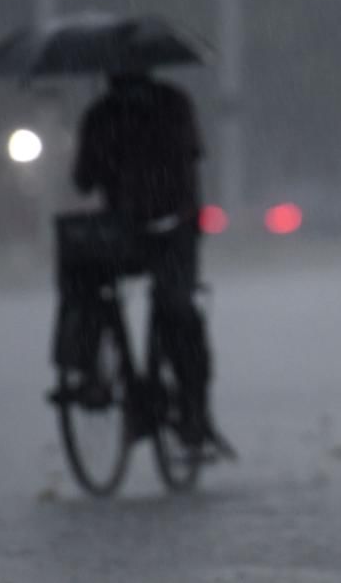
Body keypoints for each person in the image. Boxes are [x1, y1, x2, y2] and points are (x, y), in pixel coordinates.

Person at [73, 71, 231, 456]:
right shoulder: (172, 104)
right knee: (177, 310)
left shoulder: (102, 114)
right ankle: (192, 410)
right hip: (165, 228)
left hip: (138, 231)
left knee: (166, 306)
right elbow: (190, 160)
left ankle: (181, 405)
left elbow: (83, 179)